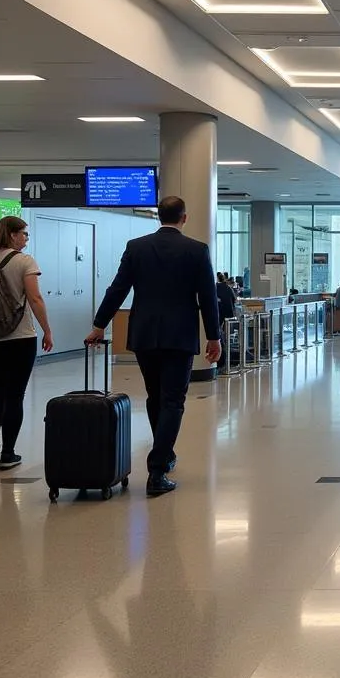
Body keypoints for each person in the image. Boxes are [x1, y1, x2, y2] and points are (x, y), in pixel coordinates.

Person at [86, 196, 220, 497]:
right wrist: (214, 336)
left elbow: (117, 288)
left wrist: (99, 324)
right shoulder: (197, 250)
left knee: (155, 396)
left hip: (145, 334)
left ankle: (165, 453)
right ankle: (157, 469)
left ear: (159, 216)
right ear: (184, 218)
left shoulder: (136, 247)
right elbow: (207, 297)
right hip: (180, 336)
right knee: (173, 400)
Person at [0, 216, 54, 469]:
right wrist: (47, 330)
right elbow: (35, 299)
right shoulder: (24, 261)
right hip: (20, 337)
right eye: (24, 234)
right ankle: (9, 454)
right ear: (13, 235)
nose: (26, 238)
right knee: (15, 395)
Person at [215, 272, 236, 369]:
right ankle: (226, 361)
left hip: (219, 314)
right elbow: (234, 300)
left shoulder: (215, 288)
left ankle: (222, 361)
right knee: (224, 336)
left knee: (220, 335)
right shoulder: (228, 288)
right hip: (228, 314)